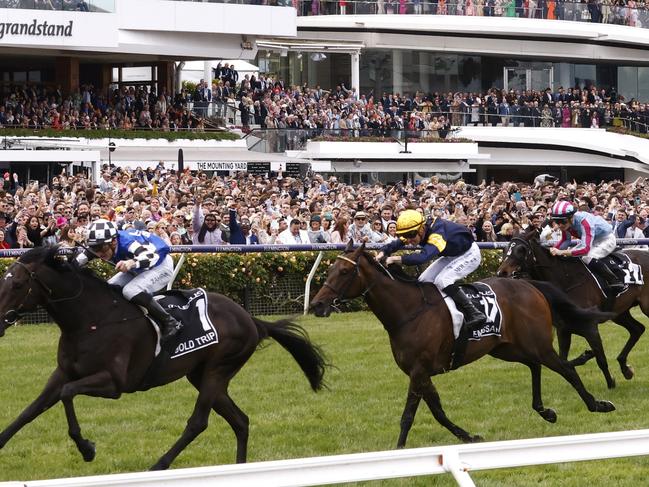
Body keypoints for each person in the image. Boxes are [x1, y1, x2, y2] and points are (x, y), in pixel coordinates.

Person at [375, 209, 487, 331]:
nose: (408, 240)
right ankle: (434, 313)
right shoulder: (413, 231)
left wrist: (394, 259)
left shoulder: (437, 233)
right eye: (405, 236)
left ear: (421, 229)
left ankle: (474, 312)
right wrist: (382, 252)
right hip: (452, 255)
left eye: (410, 235)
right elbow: (395, 244)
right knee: (423, 280)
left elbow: (423, 257)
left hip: (469, 253)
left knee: (443, 280)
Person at [75, 219, 183, 342]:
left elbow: (151, 256)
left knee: (130, 290)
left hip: (159, 265)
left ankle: (170, 322)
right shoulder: (107, 242)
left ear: (114, 241)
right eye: (95, 248)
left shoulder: (127, 242)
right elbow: (82, 257)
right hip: (140, 268)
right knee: (108, 288)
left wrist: (131, 262)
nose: (99, 253)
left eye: (102, 248)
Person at [548, 201, 625, 294]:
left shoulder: (584, 222)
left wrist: (561, 252)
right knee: (569, 256)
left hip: (606, 239)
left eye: (562, 221)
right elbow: (565, 241)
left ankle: (615, 281)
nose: (559, 225)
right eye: (557, 221)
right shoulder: (567, 222)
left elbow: (585, 249)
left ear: (571, 217)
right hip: (592, 240)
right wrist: (552, 250)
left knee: (587, 257)